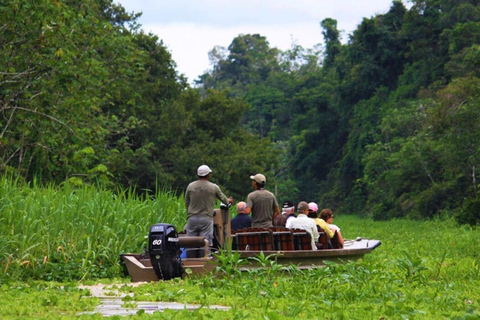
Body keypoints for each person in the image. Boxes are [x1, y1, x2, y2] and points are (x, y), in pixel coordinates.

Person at [184, 165, 233, 254]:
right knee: (205, 243)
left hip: (192, 219)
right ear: (208, 175)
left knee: (190, 243)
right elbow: (225, 200)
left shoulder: (190, 186)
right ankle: (204, 262)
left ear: (198, 175)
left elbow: (187, 202)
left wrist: (190, 213)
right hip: (206, 219)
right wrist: (229, 200)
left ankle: (190, 262)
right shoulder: (213, 187)